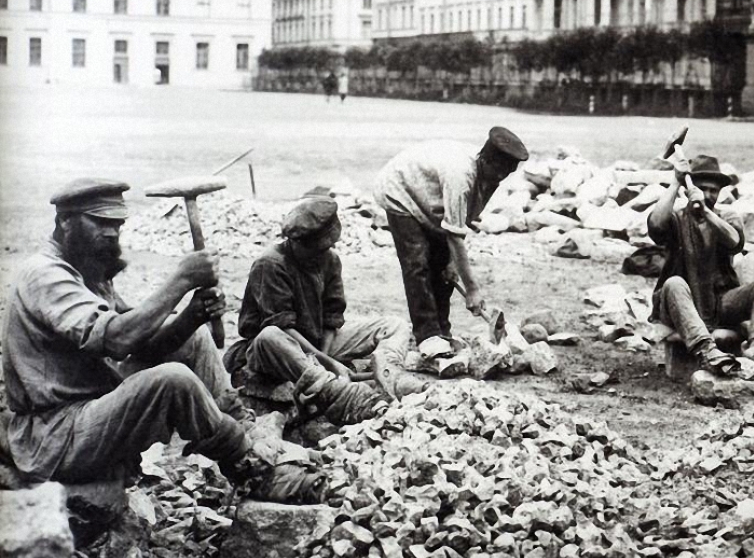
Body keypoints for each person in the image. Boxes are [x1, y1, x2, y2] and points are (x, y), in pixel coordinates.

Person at [1, 178, 325, 503]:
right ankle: (250, 470)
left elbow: (142, 342)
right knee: (173, 381)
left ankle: (244, 430)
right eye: (99, 222)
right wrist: (181, 280)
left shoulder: (87, 272)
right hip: (53, 435)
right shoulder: (45, 275)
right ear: (64, 222)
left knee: (194, 339)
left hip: (86, 412)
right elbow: (117, 339)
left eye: (117, 224)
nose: (112, 233)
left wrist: (191, 317)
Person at [225, 196, 421, 425]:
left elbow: (331, 318)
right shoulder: (270, 264)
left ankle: (388, 372)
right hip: (272, 350)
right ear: (296, 243)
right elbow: (281, 326)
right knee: (270, 336)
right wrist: (328, 363)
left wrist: (325, 357)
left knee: (393, 325)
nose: (323, 254)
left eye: (327, 247)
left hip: (315, 342)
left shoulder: (330, 260)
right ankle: (333, 389)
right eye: (317, 249)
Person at [374, 127, 529, 360]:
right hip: (400, 189)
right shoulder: (461, 175)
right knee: (417, 263)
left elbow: (462, 220)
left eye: (505, 173)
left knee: (444, 269)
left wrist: (452, 264)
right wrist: (473, 290)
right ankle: (427, 337)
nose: (500, 177)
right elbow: (455, 236)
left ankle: (442, 332)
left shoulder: (492, 176)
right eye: (497, 171)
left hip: (430, 198)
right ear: (484, 160)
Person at [648, 154, 754, 376]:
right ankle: (707, 351)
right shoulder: (678, 217)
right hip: (679, 304)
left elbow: (735, 242)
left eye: (713, 190)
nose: (708, 194)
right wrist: (676, 182)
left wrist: (706, 212)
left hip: (720, 303)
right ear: (689, 189)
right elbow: (655, 225)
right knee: (673, 283)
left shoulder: (726, 217)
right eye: (703, 188)